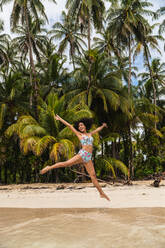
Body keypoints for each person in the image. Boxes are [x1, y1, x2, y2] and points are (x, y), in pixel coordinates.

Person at [40, 114, 110, 201]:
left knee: (93, 176)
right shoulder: (79, 134)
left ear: (85, 125)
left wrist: (102, 126)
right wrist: (59, 119)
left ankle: (101, 193)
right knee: (66, 163)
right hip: (82, 154)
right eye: (79, 126)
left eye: (82, 125)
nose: (80, 127)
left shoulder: (90, 134)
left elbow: (97, 130)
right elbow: (69, 126)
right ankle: (49, 167)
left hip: (88, 158)